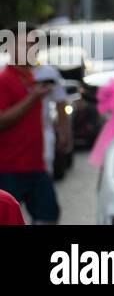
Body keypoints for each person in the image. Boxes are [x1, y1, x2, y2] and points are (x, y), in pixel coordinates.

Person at [0, 26, 59, 223]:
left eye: (35, 44)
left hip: (36, 166)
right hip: (7, 168)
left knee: (49, 216)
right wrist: (32, 98)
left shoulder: (36, 77)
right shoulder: (3, 79)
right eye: (26, 44)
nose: (33, 49)